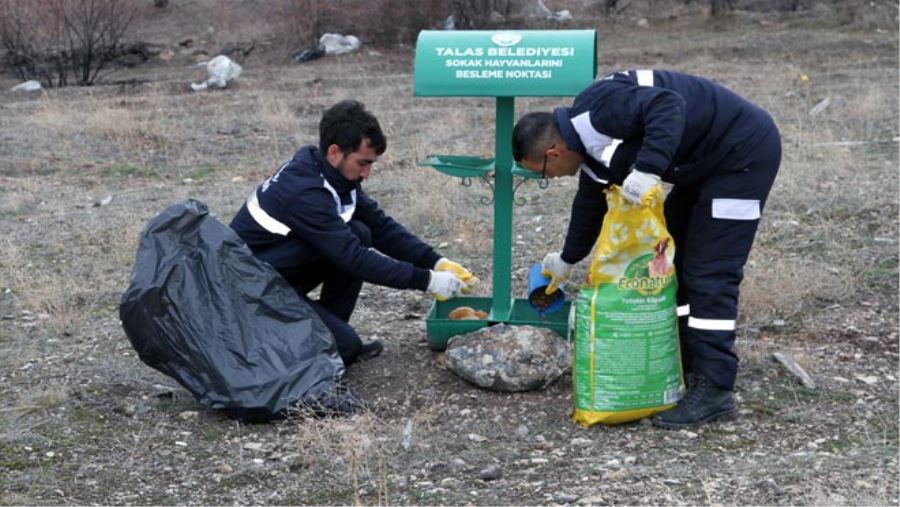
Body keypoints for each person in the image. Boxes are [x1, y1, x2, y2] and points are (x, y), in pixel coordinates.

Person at [512, 69, 781, 428]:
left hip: (742, 155)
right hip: (701, 166)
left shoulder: (599, 111)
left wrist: (649, 168)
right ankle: (688, 361)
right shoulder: (586, 142)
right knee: (671, 261)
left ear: (553, 151)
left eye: (543, 171)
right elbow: (589, 202)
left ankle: (715, 387)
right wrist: (567, 258)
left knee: (709, 270)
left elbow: (667, 105)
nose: (549, 178)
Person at [231, 100, 477, 366]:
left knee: (360, 231)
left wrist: (434, 260)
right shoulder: (305, 192)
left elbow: (380, 226)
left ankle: (327, 329)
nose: (367, 173)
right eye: (362, 163)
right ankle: (324, 342)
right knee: (345, 347)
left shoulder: (330, 175)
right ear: (335, 152)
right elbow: (353, 257)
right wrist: (427, 280)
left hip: (278, 271)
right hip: (251, 293)